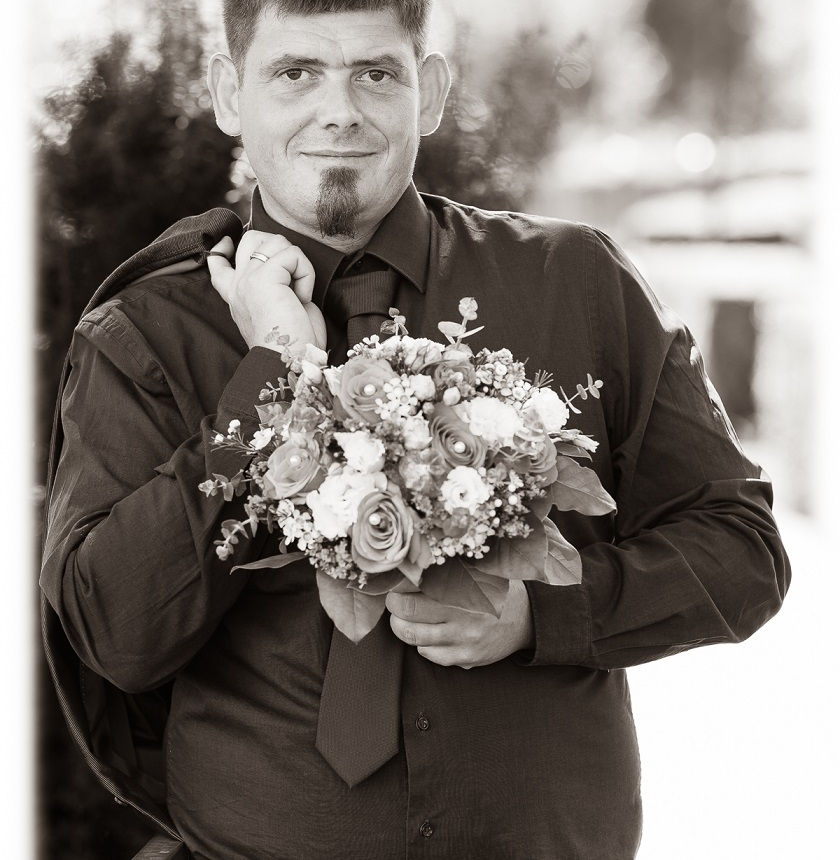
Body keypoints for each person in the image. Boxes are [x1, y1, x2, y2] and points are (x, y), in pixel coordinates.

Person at [40, 1, 791, 858]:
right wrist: (272, 376)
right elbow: (116, 636)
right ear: (228, 93)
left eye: (376, 73)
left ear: (428, 92)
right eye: (295, 73)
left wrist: (542, 615)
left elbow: (742, 550)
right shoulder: (147, 333)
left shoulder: (573, 282)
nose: (339, 111)